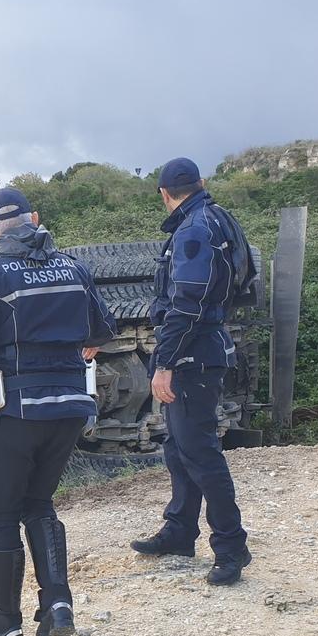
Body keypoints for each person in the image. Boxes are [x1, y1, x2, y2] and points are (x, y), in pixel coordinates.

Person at [0, 187, 116, 636]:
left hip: (15, 411)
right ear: (34, 218)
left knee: (1, 513)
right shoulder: (74, 268)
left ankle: (5, 626)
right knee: (39, 502)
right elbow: (102, 329)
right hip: (71, 407)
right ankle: (58, 605)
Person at [132, 157, 252, 585]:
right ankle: (180, 531)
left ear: (164, 194)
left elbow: (188, 302)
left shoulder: (194, 230)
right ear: (200, 183)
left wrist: (165, 362)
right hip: (202, 349)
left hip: (192, 355)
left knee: (200, 453)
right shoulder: (216, 218)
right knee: (179, 449)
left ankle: (231, 547)